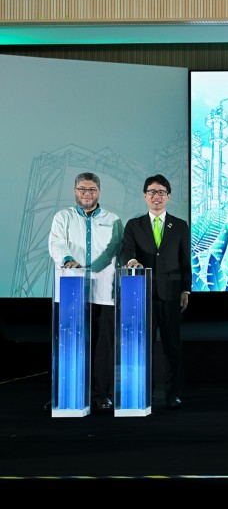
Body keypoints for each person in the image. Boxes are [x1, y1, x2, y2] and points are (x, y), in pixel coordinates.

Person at [48, 172, 123, 412]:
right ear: (74, 191)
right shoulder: (63, 217)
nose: (87, 194)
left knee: (103, 345)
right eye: (82, 189)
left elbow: (118, 250)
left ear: (99, 192)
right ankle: (64, 392)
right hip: (71, 291)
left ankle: (102, 394)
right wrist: (68, 259)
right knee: (69, 344)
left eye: (91, 189)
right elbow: (56, 243)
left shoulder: (113, 219)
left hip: (102, 291)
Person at [120, 175, 191, 409]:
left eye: (161, 192)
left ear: (169, 196)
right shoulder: (134, 224)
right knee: (143, 345)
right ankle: (144, 392)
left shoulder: (180, 225)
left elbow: (185, 261)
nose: (156, 196)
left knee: (172, 346)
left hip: (171, 294)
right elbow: (127, 251)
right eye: (152, 192)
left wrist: (185, 290)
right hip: (142, 294)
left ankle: (173, 394)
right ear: (144, 196)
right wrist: (131, 261)